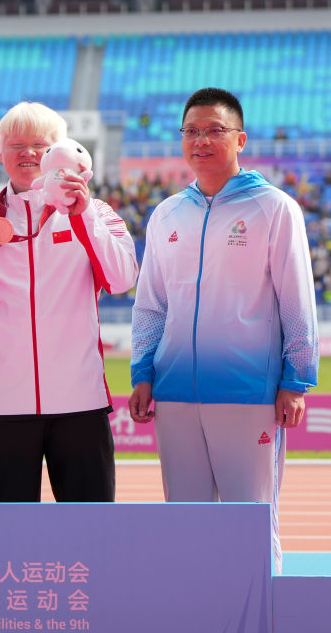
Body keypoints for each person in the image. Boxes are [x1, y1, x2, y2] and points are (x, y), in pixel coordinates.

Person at [129, 87, 319, 573]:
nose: (201, 140)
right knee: (186, 525)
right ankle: (196, 608)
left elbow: (297, 300)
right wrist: (142, 372)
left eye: (214, 130)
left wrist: (296, 381)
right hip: (175, 394)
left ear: (240, 139)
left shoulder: (274, 208)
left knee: (248, 525)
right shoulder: (167, 214)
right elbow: (151, 305)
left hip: (247, 393)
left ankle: (261, 609)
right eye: (191, 131)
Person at [0, 101, 138, 503]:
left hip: (80, 401)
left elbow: (123, 279)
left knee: (89, 528)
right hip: (3, 406)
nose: (28, 153)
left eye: (40, 145)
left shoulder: (98, 213)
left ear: (58, 151)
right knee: (6, 531)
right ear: (0, 153)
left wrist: (83, 217)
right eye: (16, 145)